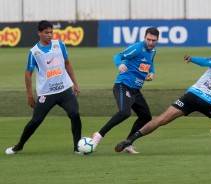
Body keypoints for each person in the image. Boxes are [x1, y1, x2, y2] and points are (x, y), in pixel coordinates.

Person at [5, 20, 82, 154]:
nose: (50, 35)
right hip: (47, 93)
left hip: (65, 90)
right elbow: (28, 74)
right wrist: (29, 95)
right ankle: (19, 146)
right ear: (39, 33)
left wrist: (75, 83)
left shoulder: (60, 45)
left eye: (51, 32)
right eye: (46, 32)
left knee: (75, 114)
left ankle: (77, 147)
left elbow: (67, 64)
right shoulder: (34, 52)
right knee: (36, 120)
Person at [92, 27, 159, 154]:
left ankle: (128, 143)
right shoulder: (137, 48)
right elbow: (118, 56)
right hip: (123, 85)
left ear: (157, 40)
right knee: (124, 112)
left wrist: (152, 72)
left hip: (135, 90)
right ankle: (99, 135)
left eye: (153, 40)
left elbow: (151, 61)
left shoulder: (153, 50)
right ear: (144, 37)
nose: (150, 42)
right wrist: (120, 64)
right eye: (148, 39)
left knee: (145, 116)